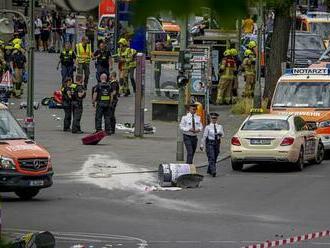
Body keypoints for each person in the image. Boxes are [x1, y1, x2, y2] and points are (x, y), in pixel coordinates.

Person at [200, 113, 224, 177]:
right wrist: (202, 144)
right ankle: (213, 171)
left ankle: (209, 169)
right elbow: (204, 136)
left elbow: (223, 135)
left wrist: (220, 134)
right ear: (210, 119)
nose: (214, 119)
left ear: (217, 119)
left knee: (215, 157)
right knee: (212, 157)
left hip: (217, 143)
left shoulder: (220, 126)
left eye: (215, 118)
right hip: (210, 143)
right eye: (212, 118)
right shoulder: (207, 127)